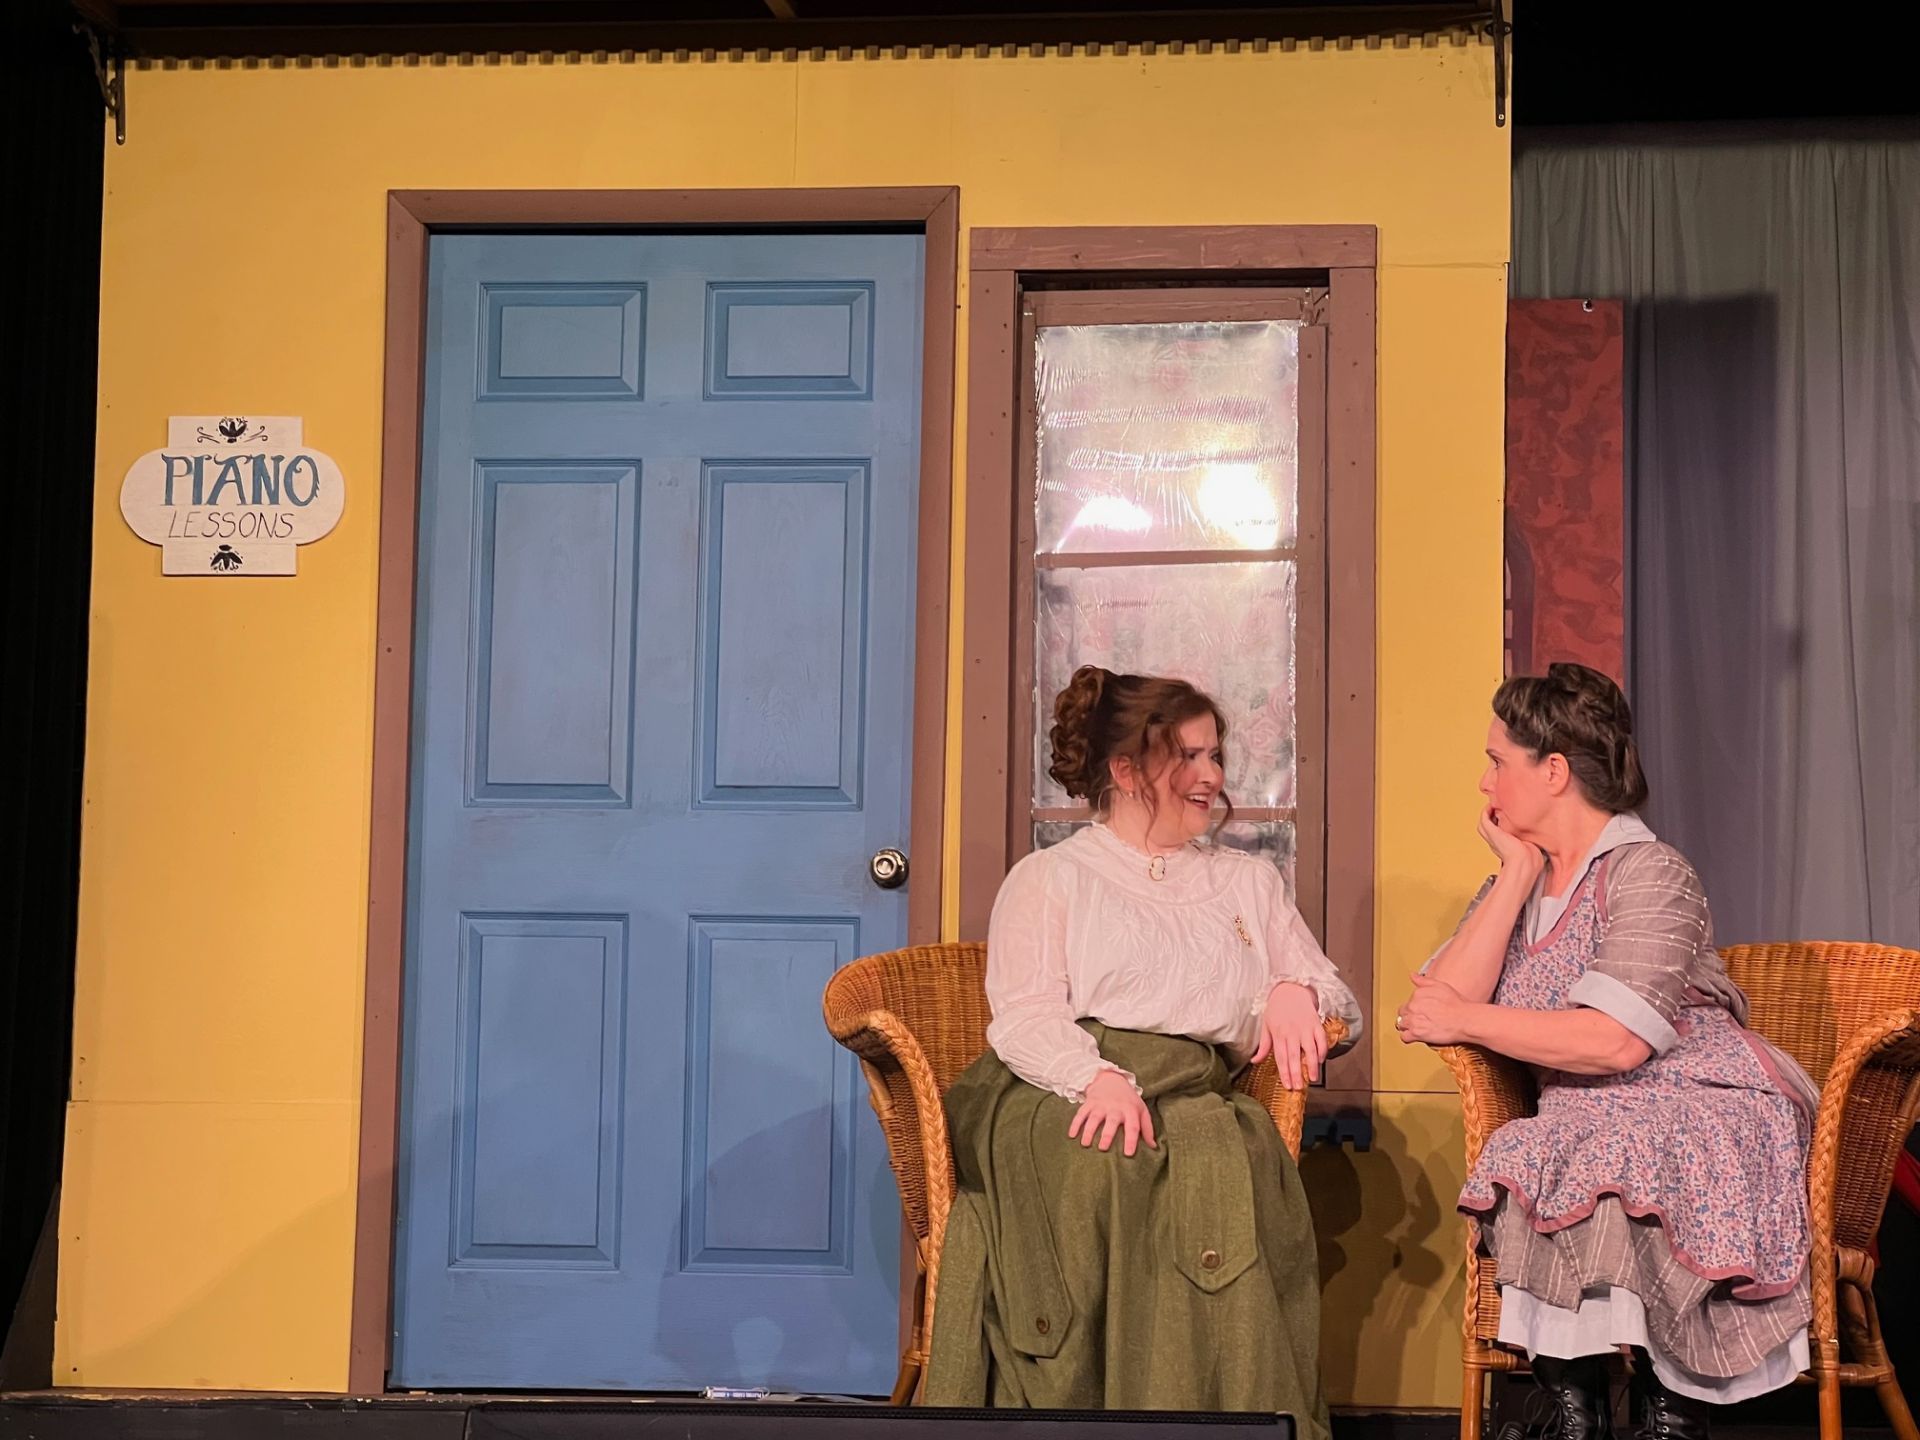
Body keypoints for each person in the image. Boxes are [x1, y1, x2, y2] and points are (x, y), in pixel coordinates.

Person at [922, 665, 1361, 1433]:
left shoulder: (1247, 883)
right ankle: (1087, 1406)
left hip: (1196, 1092)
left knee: (1214, 1166)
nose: (1211, 775)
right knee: (1107, 1161)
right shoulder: (1053, 877)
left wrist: (1297, 992)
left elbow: (1337, 1002)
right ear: (1126, 771)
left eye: (1215, 755)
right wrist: (1095, 1078)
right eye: (1187, 757)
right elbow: (1024, 1014)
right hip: (1060, 1085)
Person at [1397, 664, 1816, 1440]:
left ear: (1554, 771)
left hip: (1703, 1100)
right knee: (1536, 1147)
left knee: (1611, 1146)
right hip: (1584, 1111)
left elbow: (1616, 1040)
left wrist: (1471, 1017)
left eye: (1497, 761)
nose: (1484, 781)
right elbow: (1431, 1010)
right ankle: (1575, 1415)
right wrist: (1515, 873)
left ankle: (1670, 1414)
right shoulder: (1518, 884)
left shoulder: (1651, 871)